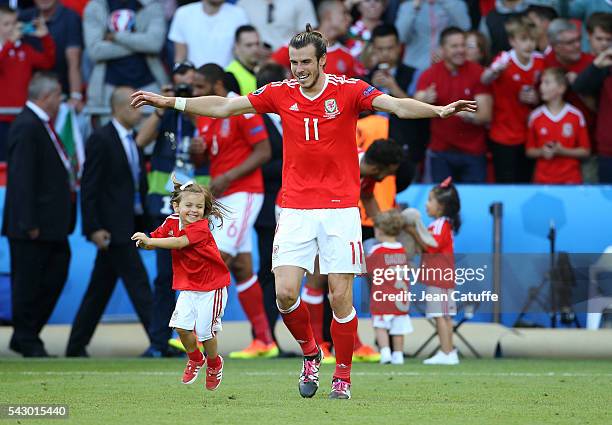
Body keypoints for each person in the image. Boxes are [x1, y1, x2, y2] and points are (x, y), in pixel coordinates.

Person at [131, 24, 476, 400]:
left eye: (306, 62)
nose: (298, 69)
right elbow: (228, 105)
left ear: (322, 60)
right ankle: (311, 352)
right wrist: (171, 103)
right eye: (294, 62)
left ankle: (341, 375)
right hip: (295, 207)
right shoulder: (281, 93)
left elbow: (395, 104)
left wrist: (438, 110)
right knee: (284, 293)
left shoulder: (348, 91)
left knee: (339, 296)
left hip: (341, 209)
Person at [194, 63, 276, 359]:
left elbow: (264, 151)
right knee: (242, 267)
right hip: (223, 197)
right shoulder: (206, 116)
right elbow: (207, 156)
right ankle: (264, 340)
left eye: (200, 88)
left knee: (219, 260)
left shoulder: (241, 108)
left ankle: (194, 329)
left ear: (217, 86)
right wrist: (197, 151)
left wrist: (229, 177)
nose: (195, 93)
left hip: (244, 194)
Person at [66, 87, 153, 357]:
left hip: (129, 223)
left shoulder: (132, 140)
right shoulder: (101, 139)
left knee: (99, 290)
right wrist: (93, 227)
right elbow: (89, 188)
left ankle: (75, 345)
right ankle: (161, 341)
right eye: (135, 106)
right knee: (138, 284)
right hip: (115, 229)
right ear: (119, 108)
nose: (139, 112)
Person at [136, 60, 208, 358]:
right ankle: (158, 342)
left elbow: (215, 144)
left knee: (200, 276)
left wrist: (204, 145)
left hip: (197, 209)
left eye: (189, 84)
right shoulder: (164, 115)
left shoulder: (203, 112)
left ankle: (199, 338)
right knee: (165, 278)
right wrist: (161, 106)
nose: (183, 87)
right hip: (166, 205)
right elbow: (140, 141)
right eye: (179, 81)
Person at [131, 177, 230, 391]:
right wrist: (146, 243)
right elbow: (157, 239)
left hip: (212, 287)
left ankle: (214, 363)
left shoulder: (201, 228)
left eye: (199, 207)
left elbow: (178, 242)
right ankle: (195, 359)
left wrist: (151, 241)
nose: (194, 211)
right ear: (176, 206)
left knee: (205, 333)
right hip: (189, 286)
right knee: (181, 328)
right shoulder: (170, 222)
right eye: (189, 205)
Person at [2, 72, 73, 357]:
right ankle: (26, 336)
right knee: (29, 283)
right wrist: (28, 222)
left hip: (48, 225)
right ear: (46, 97)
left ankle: (26, 334)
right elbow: (21, 178)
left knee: (53, 273)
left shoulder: (38, 125)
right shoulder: (27, 126)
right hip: (32, 226)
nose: (60, 102)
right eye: (58, 96)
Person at [415, 27, 492, 183]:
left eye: (463, 45)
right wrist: (424, 98)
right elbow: (415, 102)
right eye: (454, 46)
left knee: (473, 202)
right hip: (440, 153)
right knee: (441, 203)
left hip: (473, 152)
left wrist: (467, 115)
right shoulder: (430, 74)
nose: (460, 50)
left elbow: (485, 115)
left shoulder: (478, 73)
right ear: (442, 49)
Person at [405, 177, 460, 365]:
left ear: (442, 205)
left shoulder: (441, 224)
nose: (427, 204)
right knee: (443, 316)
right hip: (439, 276)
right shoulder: (441, 224)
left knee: (441, 316)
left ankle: (447, 353)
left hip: (440, 277)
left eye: (430, 200)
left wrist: (413, 232)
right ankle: (448, 351)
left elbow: (431, 247)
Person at [481, 17, 543, 183]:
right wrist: (494, 71)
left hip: (529, 134)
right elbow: (484, 79)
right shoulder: (504, 59)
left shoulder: (539, 61)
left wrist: (536, 98)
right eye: (524, 39)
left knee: (525, 181)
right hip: (503, 133)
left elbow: (545, 92)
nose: (529, 44)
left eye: (532, 39)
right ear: (512, 41)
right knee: (506, 182)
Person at [253, 62, 288, 346]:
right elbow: (254, 165)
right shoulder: (256, 120)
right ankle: (263, 337)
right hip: (267, 210)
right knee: (268, 271)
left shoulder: (292, 115)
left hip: (296, 204)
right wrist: (294, 163)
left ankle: (324, 338)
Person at [366, 23, 426, 189]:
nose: (385, 53)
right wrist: (370, 87)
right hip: (372, 149)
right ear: (373, 49)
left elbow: (418, 108)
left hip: (405, 147)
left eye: (390, 48)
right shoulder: (365, 77)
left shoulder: (414, 74)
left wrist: (394, 88)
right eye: (380, 49)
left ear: (399, 47)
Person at [83, 0, 168, 110]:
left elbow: (154, 44)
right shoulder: (95, 7)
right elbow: (95, 51)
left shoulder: (151, 5)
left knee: (154, 126)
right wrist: (140, 44)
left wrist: (116, 37)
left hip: (149, 86)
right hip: (107, 89)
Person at [0, 5, 55, 161]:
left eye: (15, 22)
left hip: (21, 117)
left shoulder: (25, 49)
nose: (12, 28)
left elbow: (47, 62)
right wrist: (9, 45)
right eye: (6, 24)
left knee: (23, 160)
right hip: (1, 118)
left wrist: (44, 37)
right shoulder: (8, 49)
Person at [526, 68, 590, 184]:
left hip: (570, 179)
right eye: (541, 83)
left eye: (547, 83)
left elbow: (585, 151)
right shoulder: (535, 116)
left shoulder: (576, 115)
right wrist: (542, 152)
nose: (541, 87)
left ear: (561, 88)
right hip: (543, 180)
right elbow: (529, 150)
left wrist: (562, 151)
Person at [366, 209, 412, 365]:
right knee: (398, 329)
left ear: (379, 230)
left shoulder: (377, 250)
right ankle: (398, 355)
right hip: (400, 298)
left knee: (380, 326)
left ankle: (385, 353)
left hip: (382, 296)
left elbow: (368, 269)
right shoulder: (402, 250)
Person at [270, 1, 363, 77]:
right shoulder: (296, 45)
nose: (350, 18)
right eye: (344, 13)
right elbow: (268, 74)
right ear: (328, 15)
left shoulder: (347, 56)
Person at [20, 0, 84, 109]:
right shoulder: (23, 18)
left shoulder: (70, 17)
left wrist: (75, 96)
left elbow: (74, 61)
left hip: (61, 93)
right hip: (27, 93)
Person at [168, 0, 249, 68]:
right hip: (195, 81)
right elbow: (180, 57)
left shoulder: (239, 14)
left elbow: (243, 54)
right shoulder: (183, 13)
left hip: (229, 80)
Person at [395, 0, 471, 70]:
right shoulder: (407, 6)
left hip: (446, 66)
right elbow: (401, 37)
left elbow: (465, 28)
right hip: (414, 67)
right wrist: (414, 7)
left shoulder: (455, 3)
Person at [573, 46, 612, 183]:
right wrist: (596, 64)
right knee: (608, 202)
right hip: (608, 151)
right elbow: (579, 86)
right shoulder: (607, 67)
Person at [236, 0, 317, 51]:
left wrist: (280, 57)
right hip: (253, 63)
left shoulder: (300, 2)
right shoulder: (243, 3)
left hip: (289, 63)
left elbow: (308, 38)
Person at [226, 25, 261, 96]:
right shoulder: (230, 76)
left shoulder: (263, 70)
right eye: (249, 45)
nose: (255, 49)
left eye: (257, 44)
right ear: (237, 47)